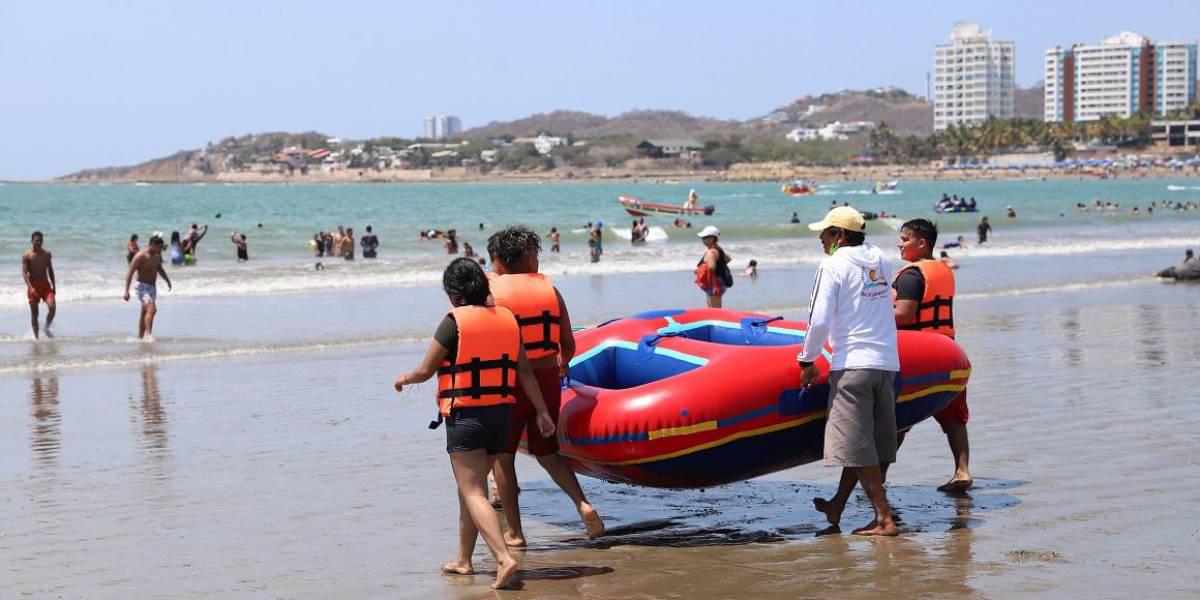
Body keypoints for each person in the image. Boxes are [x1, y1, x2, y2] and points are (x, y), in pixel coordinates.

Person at [392, 257, 553, 590]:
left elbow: (425, 370)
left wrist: (405, 379)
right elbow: (524, 371)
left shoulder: (453, 323)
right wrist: (541, 411)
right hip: (501, 417)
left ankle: (503, 558)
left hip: (467, 417)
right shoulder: (508, 319)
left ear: (452, 294)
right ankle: (463, 561)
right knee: (471, 489)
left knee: (474, 491)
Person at [486, 226, 605, 546]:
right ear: (528, 257)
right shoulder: (550, 291)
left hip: (507, 383)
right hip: (547, 379)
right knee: (549, 453)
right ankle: (584, 505)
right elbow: (568, 342)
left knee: (502, 456)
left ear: (498, 261)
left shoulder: (491, 294)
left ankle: (516, 532)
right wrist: (563, 365)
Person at [800, 207, 901, 536]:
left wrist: (807, 360)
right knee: (866, 443)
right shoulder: (881, 259)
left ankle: (884, 518)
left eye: (826, 233)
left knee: (855, 444)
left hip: (853, 364)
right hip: (885, 364)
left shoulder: (832, 264)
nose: (820, 238)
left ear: (839, 236)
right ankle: (837, 505)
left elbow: (818, 319)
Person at [893, 219, 971, 492]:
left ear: (922, 243)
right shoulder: (942, 270)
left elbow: (904, 314)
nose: (899, 243)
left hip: (918, 353)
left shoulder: (911, 275)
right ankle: (962, 472)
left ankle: (877, 478)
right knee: (954, 416)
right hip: (948, 349)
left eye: (905, 239)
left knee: (899, 419)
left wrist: (870, 319)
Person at [123, 234, 172, 340]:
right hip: (142, 287)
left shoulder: (157, 256)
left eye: (161, 247)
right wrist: (126, 291)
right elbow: (130, 273)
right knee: (152, 309)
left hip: (152, 288)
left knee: (145, 313)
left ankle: (140, 337)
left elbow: (160, 269)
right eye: (159, 247)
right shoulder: (141, 256)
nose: (160, 250)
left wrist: (167, 280)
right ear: (152, 245)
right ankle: (149, 335)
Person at [22, 231, 57, 339]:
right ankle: (36, 338)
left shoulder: (47, 254)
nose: (39, 242)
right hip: (33, 287)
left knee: (52, 308)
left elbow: (50, 270)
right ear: (32, 241)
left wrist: (54, 285)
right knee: (35, 315)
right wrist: (30, 288)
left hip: (46, 286)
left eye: (41, 240)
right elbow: (24, 273)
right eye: (37, 240)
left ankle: (46, 328)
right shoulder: (27, 255)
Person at [694, 225, 732, 308]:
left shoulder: (711, 252)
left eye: (704, 237)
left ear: (712, 238)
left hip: (714, 283)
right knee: (713, 309)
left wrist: (714, 284)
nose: (702, 240)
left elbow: (711, 267)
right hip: (720, 281)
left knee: (715, 310)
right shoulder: (718, 249)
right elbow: (728, 259)